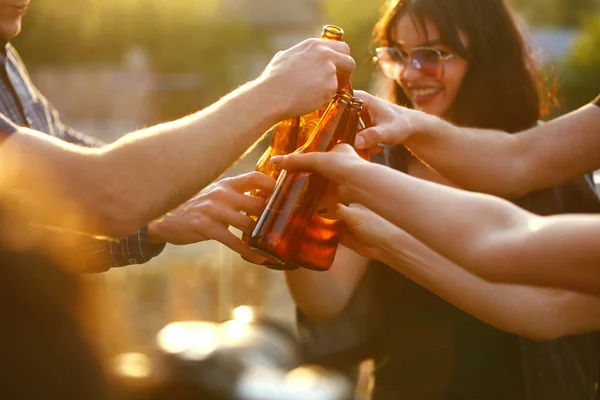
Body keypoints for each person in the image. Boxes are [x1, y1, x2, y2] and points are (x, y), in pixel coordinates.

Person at [281, 1, 600, 399]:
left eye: (433, 54)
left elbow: (538, 304)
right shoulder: (374, 158)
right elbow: (323, 300)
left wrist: (385, 237)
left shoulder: (557, 164)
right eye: (397, 54)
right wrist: (295, 209)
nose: (412, 73)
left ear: (486, 53)